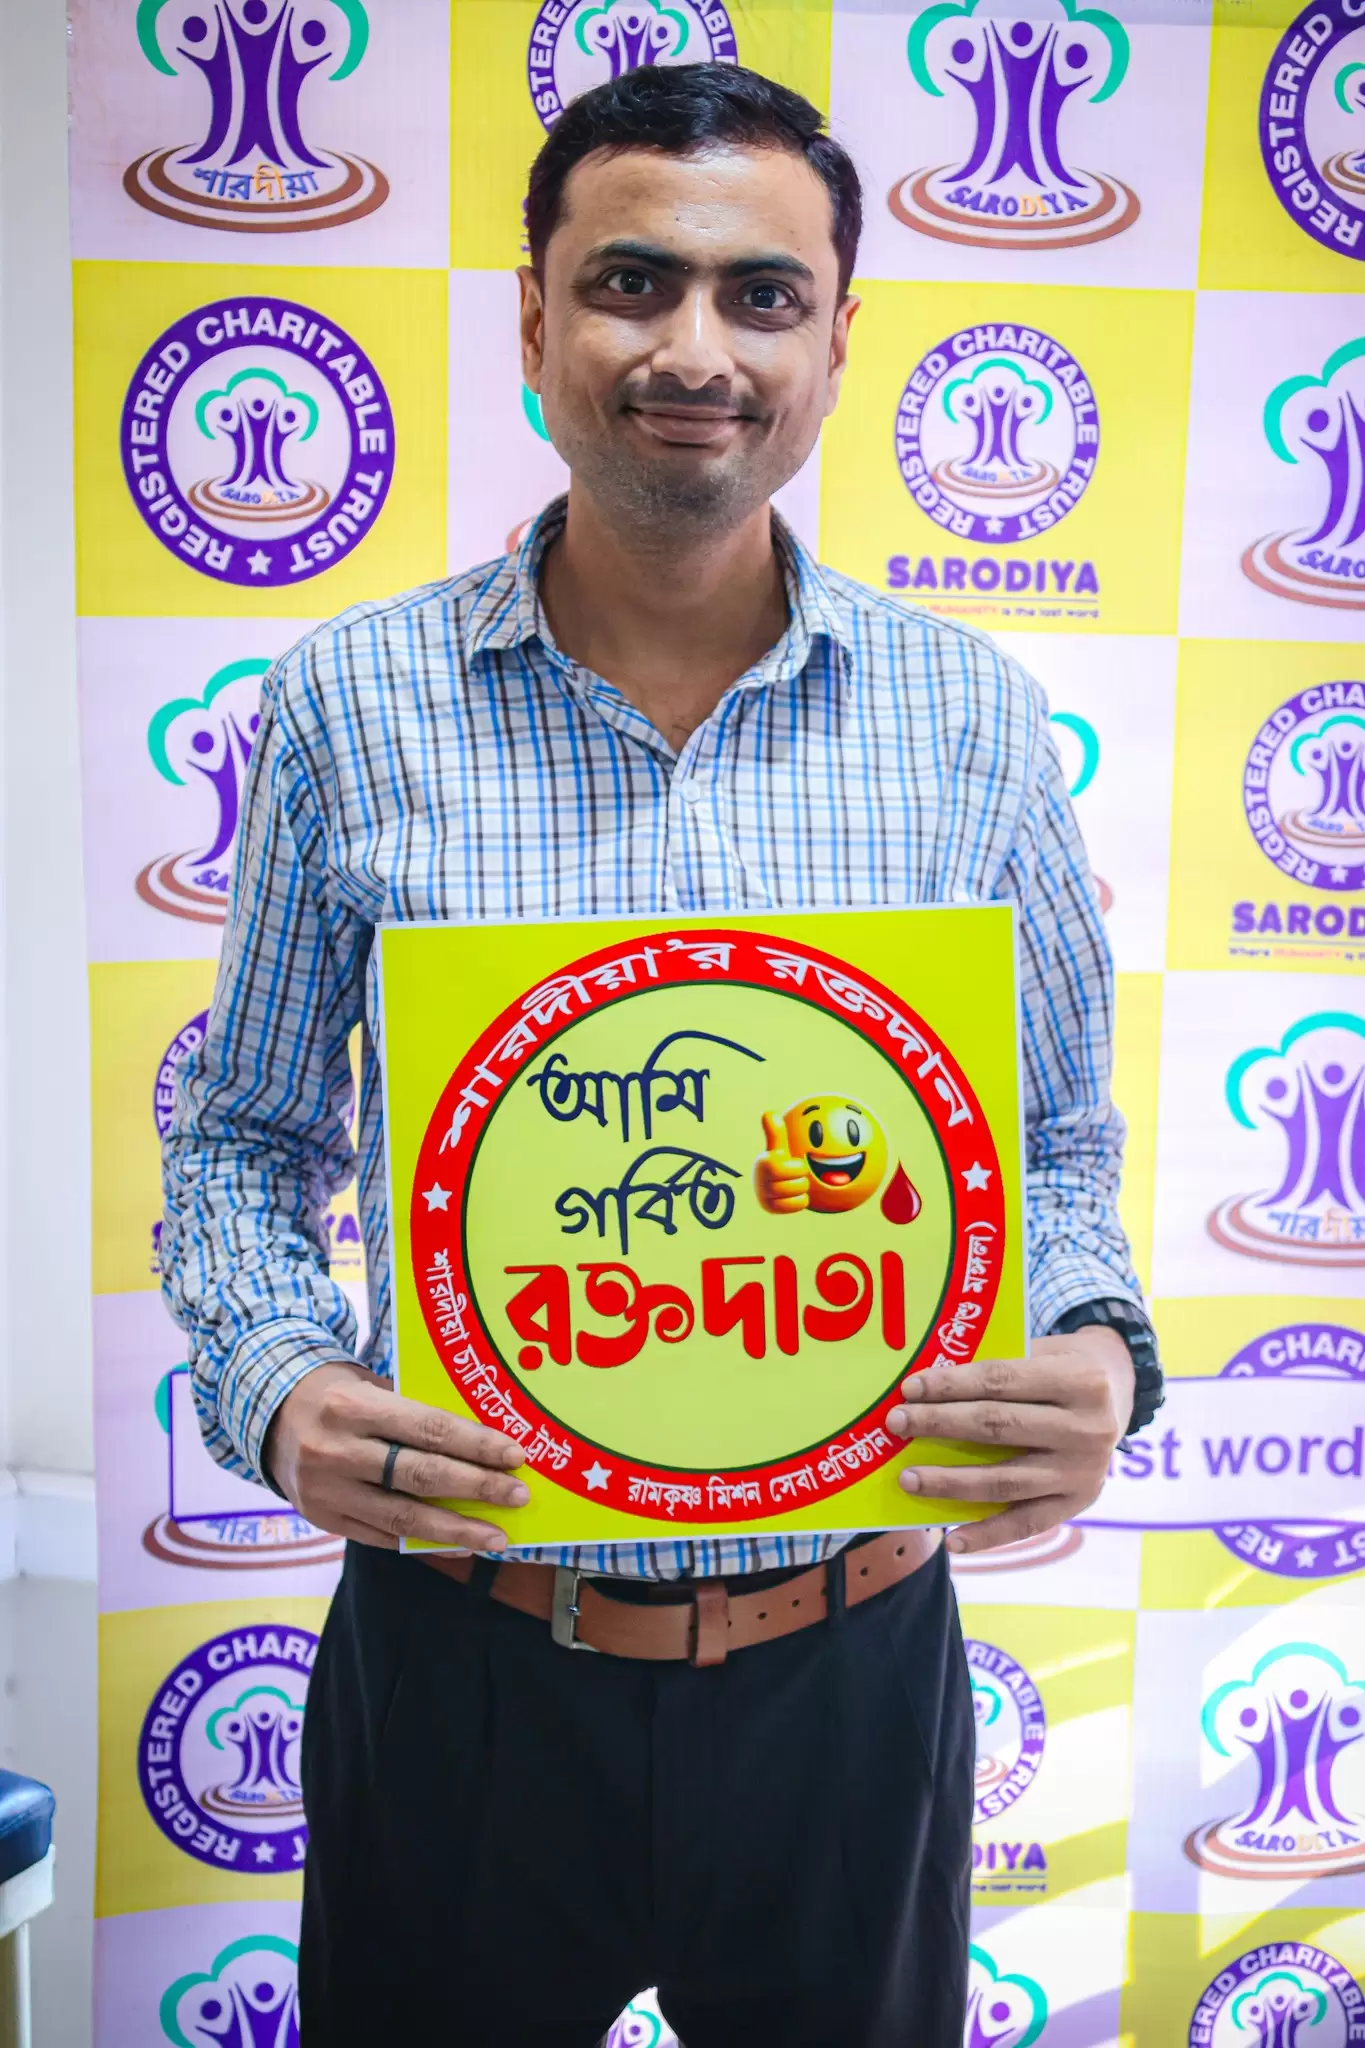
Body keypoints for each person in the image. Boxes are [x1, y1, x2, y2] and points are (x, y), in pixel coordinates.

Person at [160, 61, 1162, 2048]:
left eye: (760, 294)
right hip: (464, 1666)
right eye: (632, 281)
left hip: (849, 1674)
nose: (694, 348)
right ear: (532, 318)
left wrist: (1097, 1346)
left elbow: (1051, 1133)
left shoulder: (970, 717)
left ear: (837, 340)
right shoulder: (351, 699)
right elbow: (246, 1136)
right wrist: (277, 1385)